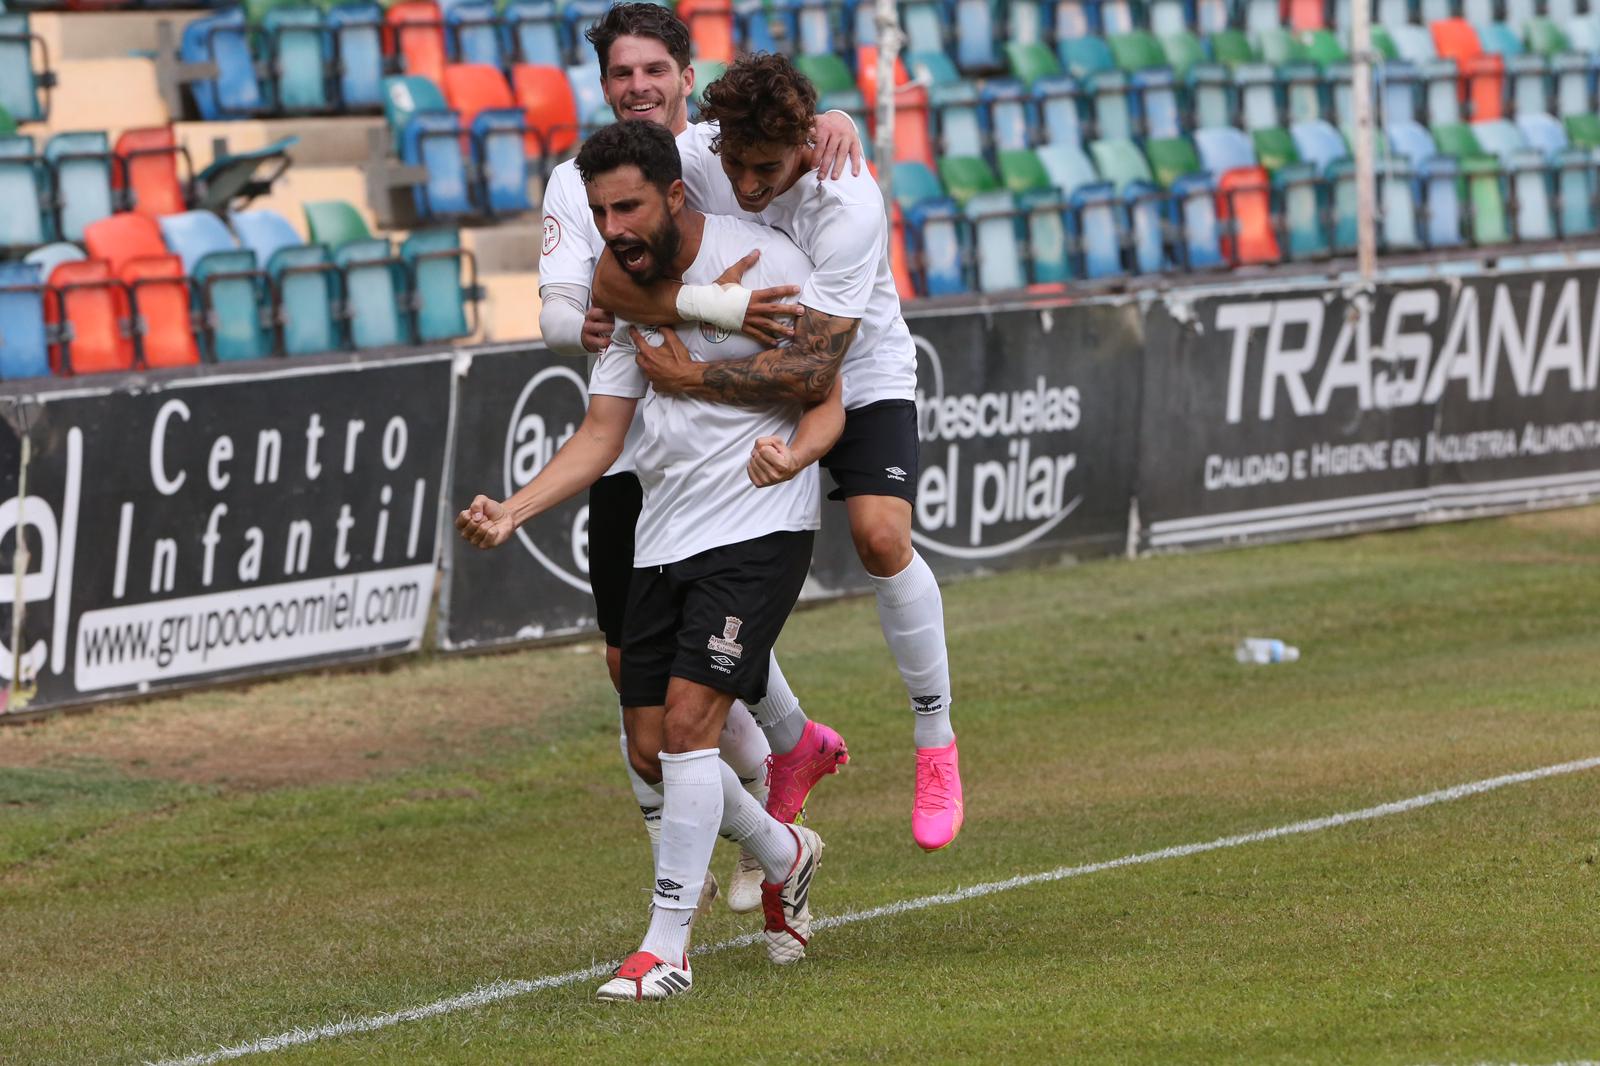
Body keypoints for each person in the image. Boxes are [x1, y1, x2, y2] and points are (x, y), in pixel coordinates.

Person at [460, 121, 841, 1001]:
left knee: (687, 727)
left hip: (759, 524)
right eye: (598, 210)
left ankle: (664, 950)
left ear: (676, 194)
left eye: (627, 205)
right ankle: (785, 853)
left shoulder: (771, 260)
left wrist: (793, 455)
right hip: (664, 532)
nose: (612, 226)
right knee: (649, 744)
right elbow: (603, 431)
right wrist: (515, 509)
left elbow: (830, 400)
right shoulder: (629, 289)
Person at [591, 53, 965, 852]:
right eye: (737, 166)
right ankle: (794, 745)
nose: (749, 185)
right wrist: (710, 304)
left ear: (804, 141)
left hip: (856, 373)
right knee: (711, 564)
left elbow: (811, 369)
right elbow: (609, 281)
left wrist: (691, 373)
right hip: (738, 382)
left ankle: (935, 740)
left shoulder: (849, 201)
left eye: (767, 169)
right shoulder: (699, 155)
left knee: (880, 537)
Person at [535, 3, 858, 909]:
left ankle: (689, 887)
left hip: (729, 459)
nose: (637, 86)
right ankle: (785, 768)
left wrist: (839, 122)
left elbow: (799, 166)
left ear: (685, 72)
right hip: (635, 443)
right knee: (635, 678)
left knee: (693, 688)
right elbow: (574, 308)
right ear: (603, 87)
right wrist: (644, 316)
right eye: (619, 75)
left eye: (652, 70)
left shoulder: (724, 155)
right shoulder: (578, 181)